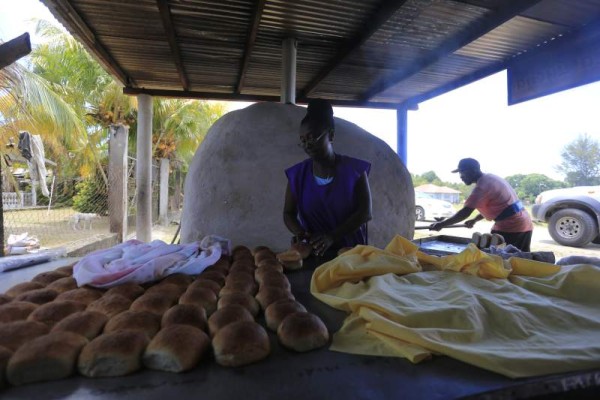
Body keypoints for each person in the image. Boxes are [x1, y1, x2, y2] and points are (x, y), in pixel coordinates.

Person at [283, 99, 372, 259]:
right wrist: (301, 234)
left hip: (351, 255)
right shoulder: (297, 175)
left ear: (330, 135)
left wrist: (331, 236)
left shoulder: (355, 171)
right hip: (315, 255)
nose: (307, 145)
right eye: (303, 141)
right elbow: (288, 213)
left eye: (312, 138)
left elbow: (365, 213)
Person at [429, 158, 533, 252]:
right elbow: (499, 207)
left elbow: (464, 213)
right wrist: (475, 220)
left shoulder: (482, 187)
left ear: (473, 170)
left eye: (463, 173)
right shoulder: (490, 178)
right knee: (521, 258)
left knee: (504, 260)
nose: (461, 177)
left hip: (512, 226)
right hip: (523, 222)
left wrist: (441, 224)